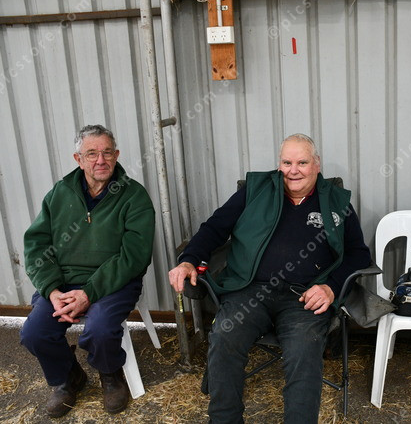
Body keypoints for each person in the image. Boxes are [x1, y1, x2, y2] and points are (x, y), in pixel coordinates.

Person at [168, 133, 371, 423]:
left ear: (317, 164)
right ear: (279, 164)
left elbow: (358, 254)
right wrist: (188, 260)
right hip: (250, 290)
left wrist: (330, 287)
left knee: (304, 347)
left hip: (305, 295)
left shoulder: (337, 201)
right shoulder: (255, 190)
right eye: (287, 163)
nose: (293, 170)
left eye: (302, 163)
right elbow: (214, 228)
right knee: (225, 334)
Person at [20, 125, 155, 417]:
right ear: (78, 159)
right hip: (64, 283)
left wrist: (89, 293)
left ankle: (110, 374)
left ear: (116, 155)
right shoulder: (59, 193)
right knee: (34, 333)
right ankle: (68, 377)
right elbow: (36, 245)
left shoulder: (134, 196)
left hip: (114, 283)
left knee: (100, 329)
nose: (100, 160)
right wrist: (52, 291)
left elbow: (134, 256)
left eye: (107, 152)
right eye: (91, 153)